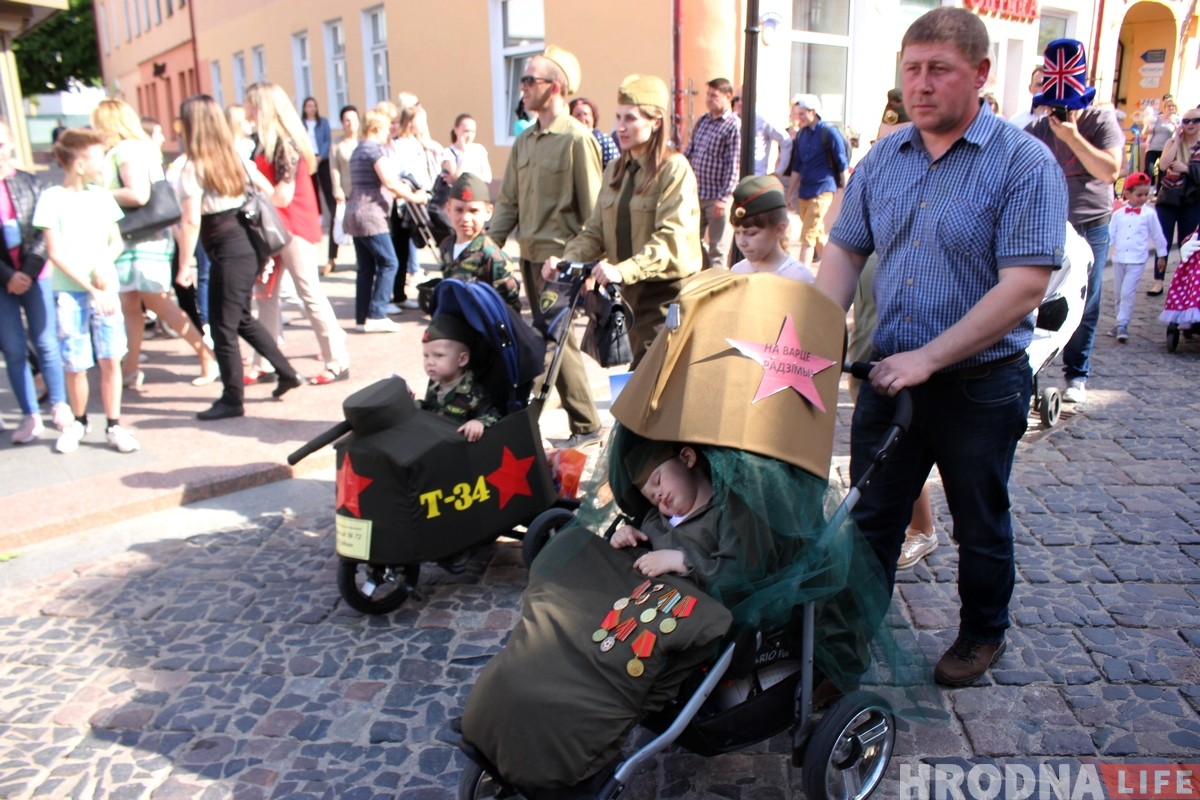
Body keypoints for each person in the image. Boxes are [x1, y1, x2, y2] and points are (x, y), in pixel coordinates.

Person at [814, 7, 1068, 686]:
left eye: (939, 70)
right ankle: (846, 644)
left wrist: (929, 358)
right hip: (888, 377)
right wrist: (806, 341)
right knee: (872, 520)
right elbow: (844, 254)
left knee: (980, 520)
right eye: (912, 70)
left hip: (980, 385)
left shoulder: (1023, 163)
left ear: (981, 74)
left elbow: (1024, 285)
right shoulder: (884, 158)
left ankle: (983, 632)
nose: (921, 85)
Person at [488, 44, 603, 445]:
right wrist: (486, 248)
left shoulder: (577, 139)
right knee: (554, 340)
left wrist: (586, 264)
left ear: (553, 87)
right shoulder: (526, 141)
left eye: (529, 80)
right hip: (530, 257)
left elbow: (594, 213)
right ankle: (581, 423)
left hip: (562, 261)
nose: (521, 87)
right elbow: (508, 202)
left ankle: (532, 420)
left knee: (552, 342)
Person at [552, 74, 702, 368]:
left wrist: (622, 270)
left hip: (664, 295)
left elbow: (670, 238)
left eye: (631, 118)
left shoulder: (673, 169)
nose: (620, 126)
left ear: (655, 121)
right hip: (627, 293)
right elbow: (595, 231)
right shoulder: (615, 170)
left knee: (646, 381)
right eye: (618, 117)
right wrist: (566, 262)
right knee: (634, 381)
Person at [174, 94, 302, 421]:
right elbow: (268, 191)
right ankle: (287, 372)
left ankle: (233, 399)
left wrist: (185, 264)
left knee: (223, 327)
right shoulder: (232, 157)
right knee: (239, 318)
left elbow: (190, 220)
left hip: (227, 249)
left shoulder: (194, 166)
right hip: (246, 245)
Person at [90, 99, 218, 390]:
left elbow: (138, 194)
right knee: (131, 304)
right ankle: (131, 367)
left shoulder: (126, 150)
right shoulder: (135, 148)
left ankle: (206, 354)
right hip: (135, 238)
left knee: (156, 301)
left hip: (143, 237)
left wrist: (99, 193)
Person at [1024, 39, 1122, 405]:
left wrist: (1073, 136)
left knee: (1086, 301)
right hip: (1050, 225)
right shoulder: (1036, 130)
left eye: (1066, 105)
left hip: (1091, 222)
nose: (1060, 112)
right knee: (1036, 298)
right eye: (1055, 105)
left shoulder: (1100, 121)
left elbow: (1109, 171)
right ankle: (1030, 367)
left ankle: (1077, 373)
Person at [33, 128, 140, 454]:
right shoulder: (52, 198)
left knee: (110, 357)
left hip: (105, 290)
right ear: (78, 163)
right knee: (75, 362)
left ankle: (113, 424)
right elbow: (55, 252)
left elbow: (115, 241)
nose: (102, 164)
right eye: (97, 157)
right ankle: (79, 421)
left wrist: (105, 265)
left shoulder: (102, 196)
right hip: (72, 293)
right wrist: (89, 286)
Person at [244, 82, 350, 386]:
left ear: (263, 107)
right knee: (266, 296)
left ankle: (337, 359)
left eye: (251, 104)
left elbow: (282, 195)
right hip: (272, 226)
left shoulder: (285, 145)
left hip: (291, 226)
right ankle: (264, 361)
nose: (247, 110)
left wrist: (253, 177)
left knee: (309, 291)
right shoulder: (264, 143)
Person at [0, 118, 71, 444]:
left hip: (35, 275)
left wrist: (27, 273)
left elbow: (46, 233)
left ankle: (59, 404)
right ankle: (30, 415)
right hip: (3, 282)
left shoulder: (32, 184)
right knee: (14, 348)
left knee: (46, 341)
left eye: (1, 144)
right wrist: (8, 276)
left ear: (12, 144)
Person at [344, 109, 427, 333]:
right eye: (385, 129)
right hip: (371, 215)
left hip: (355, 213)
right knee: (390, 262)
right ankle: (378, 314)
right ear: (376, 129)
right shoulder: (374, 150)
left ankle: (362, 317)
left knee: (366, 268)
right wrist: (416, 197)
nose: (388, 133)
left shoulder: (358, 150)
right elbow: (390, 182)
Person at [609, 439, 722, 585]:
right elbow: (642, 556)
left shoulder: (726, 514)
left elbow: (734, 572)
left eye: (658, 481)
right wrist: (628, 536)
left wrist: (681, 561)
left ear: (687, 458)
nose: (658, 495)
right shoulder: (655, 521)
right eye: (653, 499)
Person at [437, 172, 521, 311]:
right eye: (459, 210)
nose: (466, 218)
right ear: (448, 209)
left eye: (473, 211)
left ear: (488, 212)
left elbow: (509, 310)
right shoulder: (446, 246)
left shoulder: (494, 258)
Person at [386, 101, 440, 309]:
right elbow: (398, 173)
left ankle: (400, 294)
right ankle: (393, 294)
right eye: (420, 120)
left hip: (421, 199)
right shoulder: (397, 145)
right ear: (409, 122)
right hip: (402, 203)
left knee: (408, 249)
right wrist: (412, 191)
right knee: (398, 250)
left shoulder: (420, 143)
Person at [785, 94, 849, 270]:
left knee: (807, 234)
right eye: (797, 113)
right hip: (805, 191)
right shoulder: (802, 135)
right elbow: (797, 167)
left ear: (813, 112)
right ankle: (836, 268)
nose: (799, 117)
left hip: (823, 189)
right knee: (817, 232)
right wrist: (789, 194)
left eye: (802, 113)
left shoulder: (829, 132)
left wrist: (848, 193)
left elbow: (842, 163)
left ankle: (802, 275)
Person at [684, 78, 740, 269]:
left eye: (714, 95)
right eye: (708, 95)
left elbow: (733, 165)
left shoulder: (733, 126)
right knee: (691, 244)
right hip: (696, 195)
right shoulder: (703, 121)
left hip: (717, 198)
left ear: (728, 97)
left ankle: (717, 285)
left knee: (718, 250)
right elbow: (690, 152)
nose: (708, 99)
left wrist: (724, 199)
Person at [417, 314, 499, 442]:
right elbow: (430, 408)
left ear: (462, 359)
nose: (430, 362)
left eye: (438, 355)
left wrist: (479, 422)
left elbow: (495, 414)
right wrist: (413, 404)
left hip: (460, 446)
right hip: (435, 440)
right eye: (426, 356)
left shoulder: (475, 391)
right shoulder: (434, 383)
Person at [1107, 172, 1168, 342]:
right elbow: (1110, 235)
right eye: (1139, 194)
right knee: (1118, 294)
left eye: (1146, 194)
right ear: (1127, 194)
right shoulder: (1118, 215)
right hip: (1119, 259)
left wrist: (1162, 255)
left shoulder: (1149, 214)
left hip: (1137, 260)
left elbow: (1157, 235)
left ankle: (1123, 324)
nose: (1143, 198)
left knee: (1127, 293)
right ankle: (1119, 321)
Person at [1150, 107, 1200, 295]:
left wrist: (1185, 169)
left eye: (1195, 120)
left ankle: (1186, 281)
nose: (1190, 124)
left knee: (1187, 242)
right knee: (1162, 240)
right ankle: (1158, 281)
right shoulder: (1172, 142)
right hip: (1169, 199)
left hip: (1192, 200)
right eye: (1186, 121)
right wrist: (1177, 140)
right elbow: (1163, 165)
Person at [727, 174, 813, 282]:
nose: (741, 242)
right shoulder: (737, 271)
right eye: (737, 232)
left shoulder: (799, 277)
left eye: (751, 233)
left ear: (780, 229)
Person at [301, 100, 335, 264]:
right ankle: (318, 218)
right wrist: (309, 157)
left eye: (314, 106)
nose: (312, 108)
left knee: (327, 188)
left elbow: (327, 140)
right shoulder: (301, 124)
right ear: (304, 108)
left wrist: (321, 156)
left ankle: (333, 212)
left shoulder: (323, 123)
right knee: (312, 190)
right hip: (308, 159)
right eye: (309, 106)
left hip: (322, 159)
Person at [327, 104, 359, 275]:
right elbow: (334, 168)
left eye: (353, 119)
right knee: (337, 221)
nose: (350, 123)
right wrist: (336, 189)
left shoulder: (362, 141)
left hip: (360, 190)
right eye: (347, 120)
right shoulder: (337, 143)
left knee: (359, 224)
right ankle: (331, 258)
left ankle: (360, 257)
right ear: (342, 123)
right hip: (344, 188)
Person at [440, 113, 493, 184]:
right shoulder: (449, 152)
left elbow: (488, 178)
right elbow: (456, 177)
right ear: (456, 130)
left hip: (476, 189)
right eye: (466, 131)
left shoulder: (479, 149)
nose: (470, 135)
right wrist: (464, 153)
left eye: (473, 131)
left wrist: (467, 176)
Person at [569, 98, 619, 168]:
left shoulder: (603, 140)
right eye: (578, 115)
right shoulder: (567, 142)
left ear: (593, 117)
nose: (583, 118)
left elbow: (615, 168)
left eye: (586, 114)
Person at [1143, 96, 1178, 183]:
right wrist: (1149, 126)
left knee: (1162, 171)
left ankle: (1159, 189)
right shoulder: (1156, 118)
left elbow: (1180, 134)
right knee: (1149, 169)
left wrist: (1174, 123)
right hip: (1152, 147)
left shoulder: (1177, 120)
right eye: (1169, 106)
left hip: (1166, 149)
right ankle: (1148, 187)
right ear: (1165, 107)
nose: (1171, 108)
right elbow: (1145, 131)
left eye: (1173, 106)